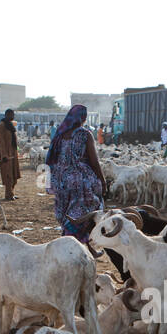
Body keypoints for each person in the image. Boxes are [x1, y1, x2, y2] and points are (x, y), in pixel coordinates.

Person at [46, 104, 105, 242]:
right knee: (90, 207)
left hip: (61, 180)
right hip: (80, 179)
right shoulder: (84, 134)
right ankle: (73, 239)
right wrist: (102, 180)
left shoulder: (59, 135)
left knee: (67, 211)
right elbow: (94, 161)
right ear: (82, 117)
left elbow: (54, 157)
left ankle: (72, 239)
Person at [0, 108, 20, 201]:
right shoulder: (1, 126)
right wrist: (4, 155)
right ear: (7, 115)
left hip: (13, 153)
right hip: (6, 155)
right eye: (11, 115)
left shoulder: (11, 125)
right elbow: (1, 142)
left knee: (14, 174)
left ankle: (12, 192)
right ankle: (8, 194)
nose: (13, 116)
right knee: (8, 175)